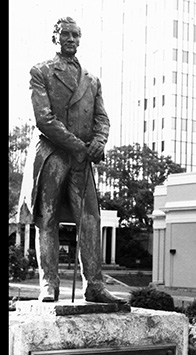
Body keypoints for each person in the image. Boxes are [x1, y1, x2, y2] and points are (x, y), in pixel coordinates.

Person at [18, 17, 120, 303]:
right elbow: (44, 119)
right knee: (47, 218)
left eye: (76, 35)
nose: (72, 39)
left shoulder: (92, 79)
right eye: (66, 34)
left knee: (90, 218)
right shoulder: (41, 71)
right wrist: (77, 145)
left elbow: (102, 118)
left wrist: (98, 143)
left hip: (82, 160)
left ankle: (94, 285)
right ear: (56, 38)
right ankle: (48, 283)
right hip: (53, 154)